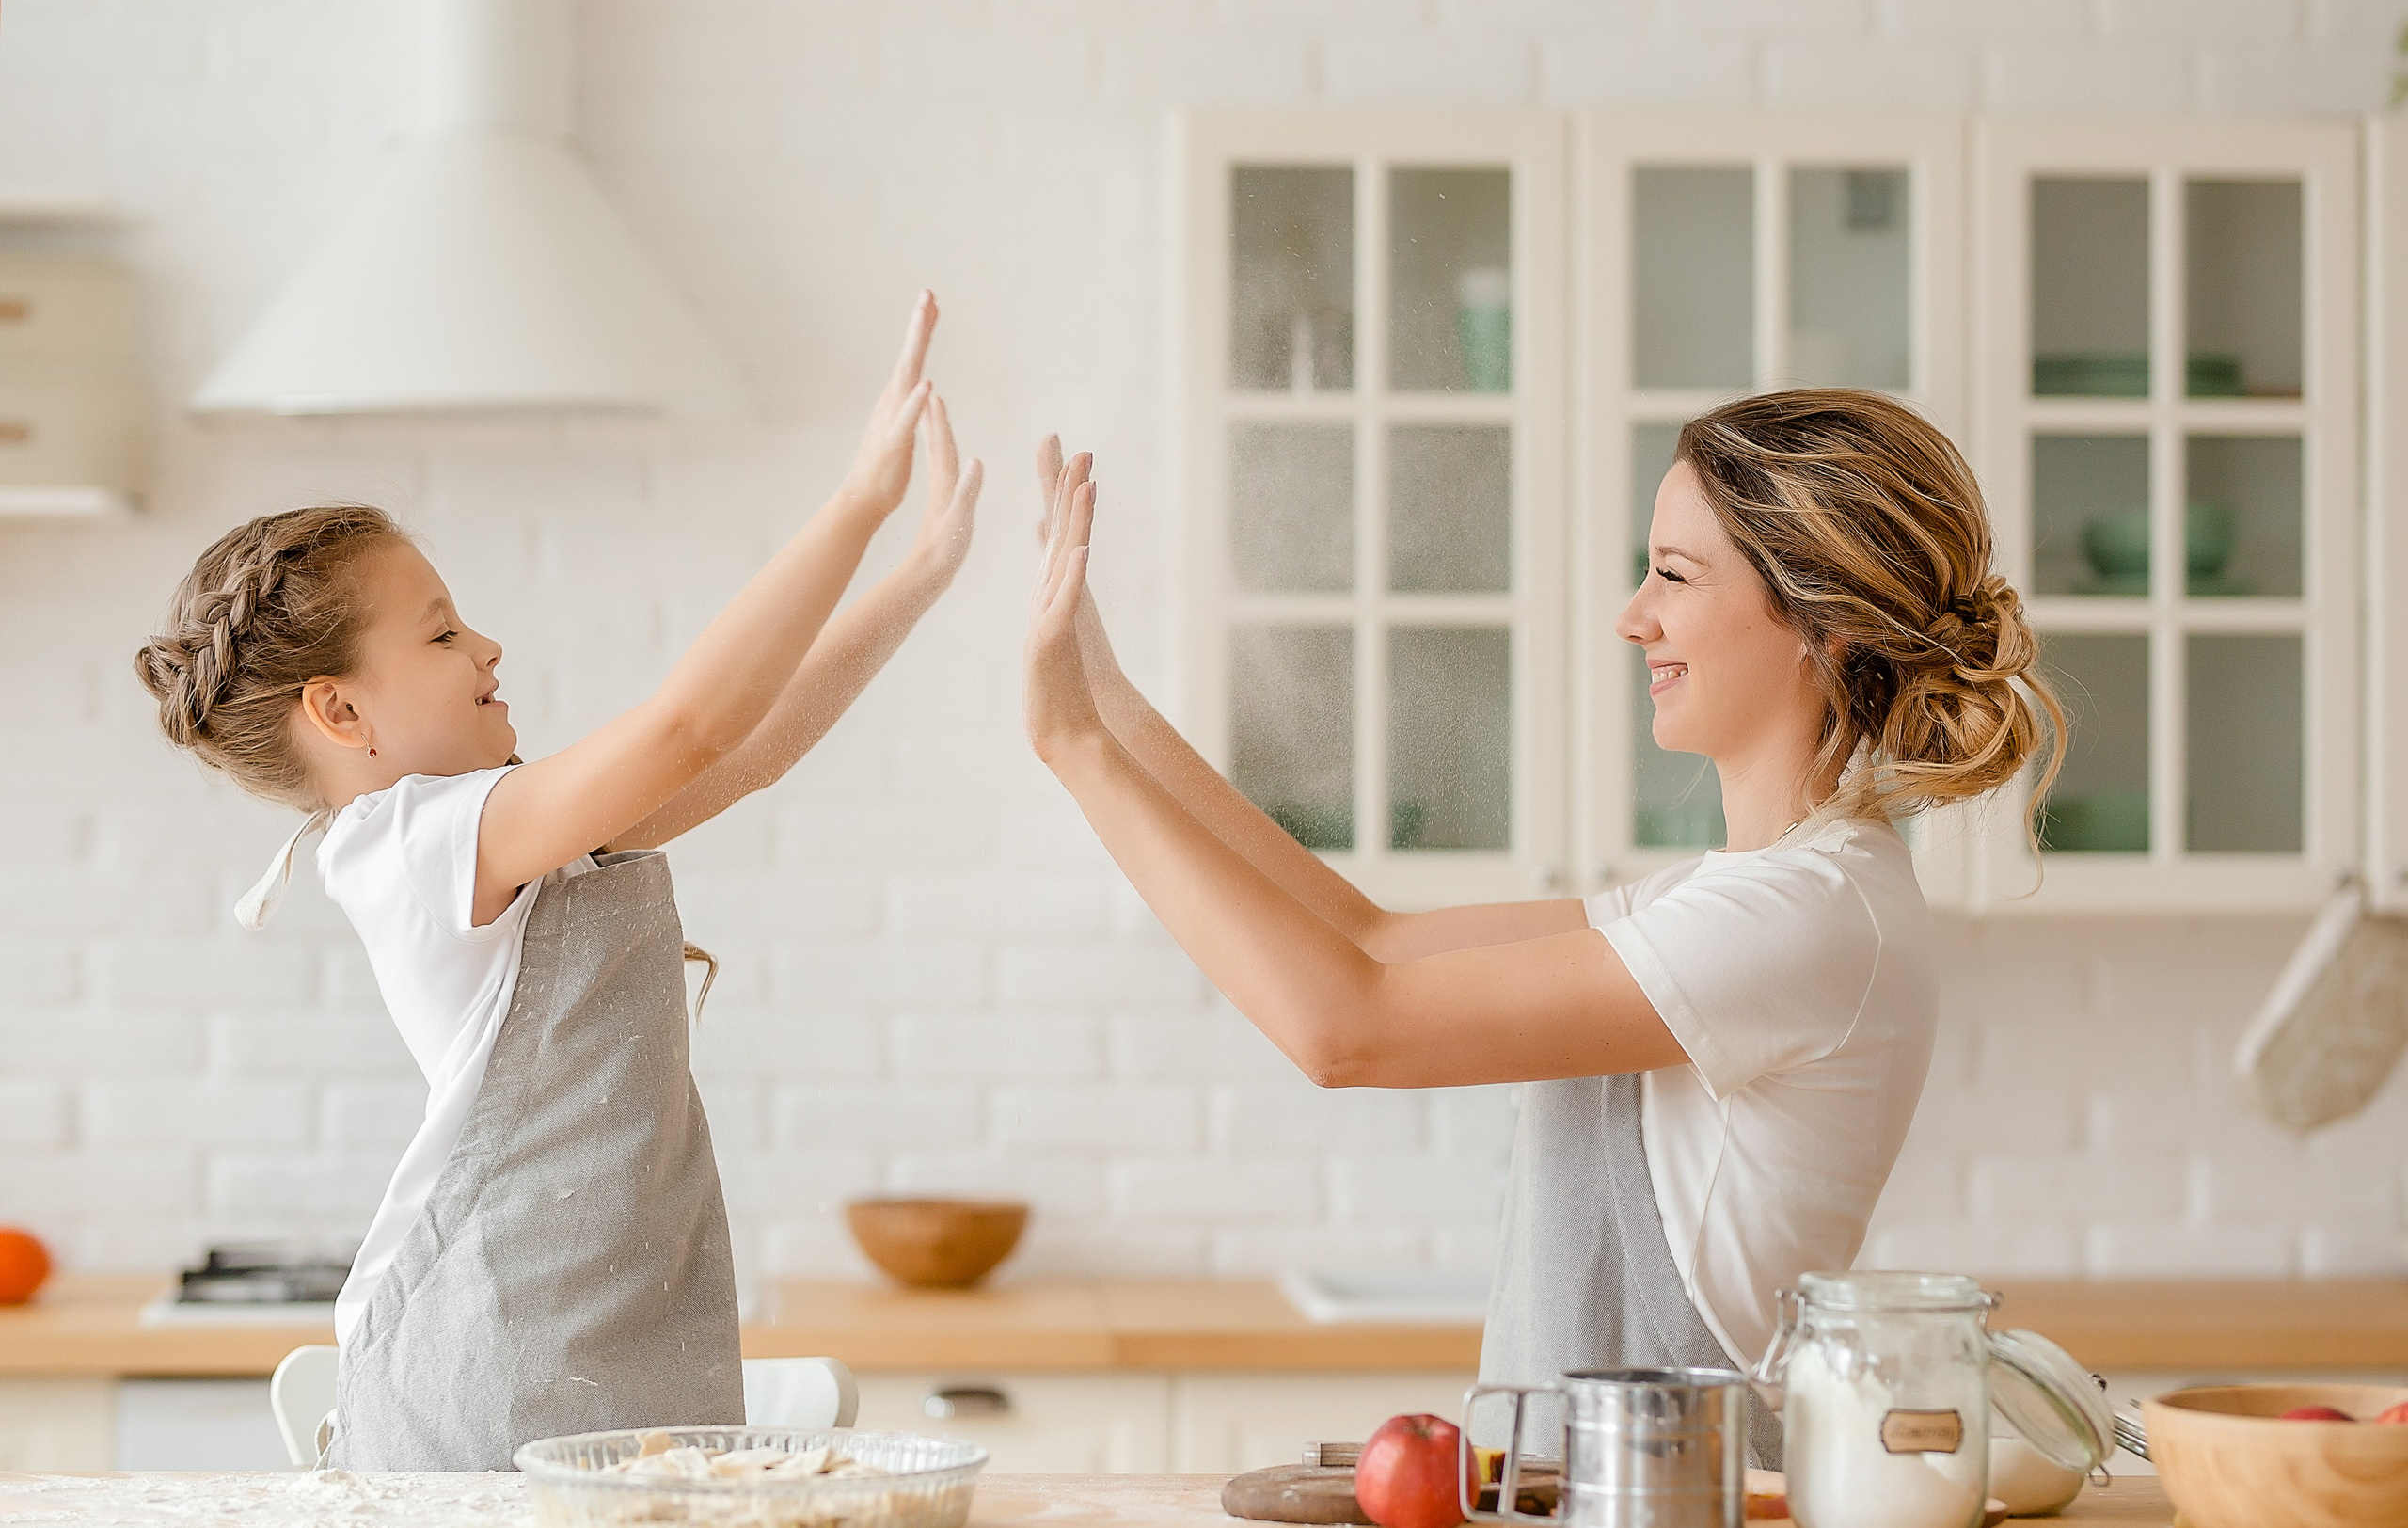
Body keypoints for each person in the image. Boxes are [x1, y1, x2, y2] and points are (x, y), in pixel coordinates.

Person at [1019, 390, 2062, 1464]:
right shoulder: (1739, 899)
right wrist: (1105, 699)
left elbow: (1346, 1027)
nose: (1632, 614)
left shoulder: (1803, 915)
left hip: (1654, 1495)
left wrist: (1073, 748)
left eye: (1674, 573)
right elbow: (1370, 939)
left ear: (1822, 621)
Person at [134, 294, 982, 1470]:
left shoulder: (505, 825)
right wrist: (856, 509)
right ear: (339, 710)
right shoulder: (406, 841)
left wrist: (921, 571)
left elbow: (744, 751)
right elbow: (690, 722)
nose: (486, 647)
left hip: (616, 1337)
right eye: (439, 635)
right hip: (486, 1361)